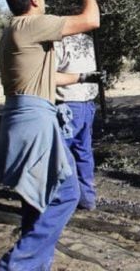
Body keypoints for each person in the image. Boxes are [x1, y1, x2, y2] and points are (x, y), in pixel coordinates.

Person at [0, 0, 103, 270]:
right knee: (67, 194)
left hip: (20, 116)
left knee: (37, 195)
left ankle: (33, 265)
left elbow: (46, 76)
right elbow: (90, 19)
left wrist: (82, 76)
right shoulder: (33, 24)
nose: (45, 0)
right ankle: (15, 265)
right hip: (35, 121)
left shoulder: (12, 31)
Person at [54, 33, 101, 210]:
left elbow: (49, 76)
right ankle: (87, 199)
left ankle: (65, 200)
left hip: (67, 105)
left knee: (62, 154)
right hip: (87, 103)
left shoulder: (59, 42)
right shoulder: (89, 40)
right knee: (83, 152)